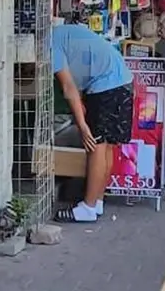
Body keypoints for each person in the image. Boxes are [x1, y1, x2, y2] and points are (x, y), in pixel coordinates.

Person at [52, 23, 134, 223]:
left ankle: (87, 208)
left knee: (95, 146)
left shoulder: (49, 43)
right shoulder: (65, 33)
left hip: (105, 86)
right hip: (123, 80)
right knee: (107, 146)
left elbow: (68, 87)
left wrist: (82, 125)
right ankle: (97, 200)